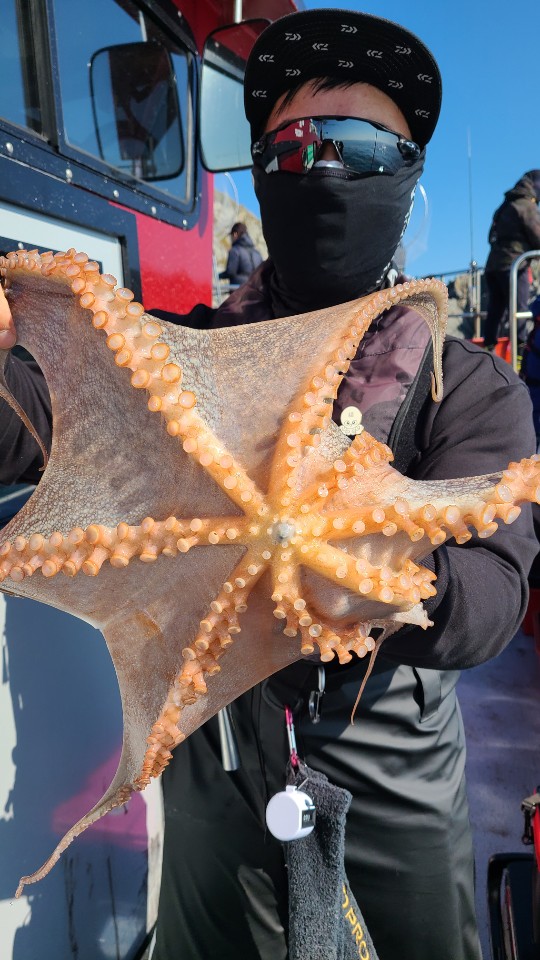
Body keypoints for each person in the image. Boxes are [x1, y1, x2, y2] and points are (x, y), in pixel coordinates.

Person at [0, 9, 537, 960]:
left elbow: (494, 588)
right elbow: (36, 425)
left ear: (408, 174)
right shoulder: (183, 358)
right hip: (216, 760)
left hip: (390, 767)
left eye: (361, 146)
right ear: (258, 171)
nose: (323, 167)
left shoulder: (468, 387)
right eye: (293, 147)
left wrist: (362, 562)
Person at [483, 170, 540, 349]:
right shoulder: (526, 205)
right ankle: (520, 355)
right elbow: (537, 235)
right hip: (514, 266)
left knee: (495, 311)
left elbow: (491, 236)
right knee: (519, 311)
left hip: (493, 266)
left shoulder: (506, 204)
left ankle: (488, 350)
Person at [219, 221, 263, 286]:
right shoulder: (257, 253)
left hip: (239, 290)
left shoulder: (235, 250)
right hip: (256, 290)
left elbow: (230, 272)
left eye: (231, 236)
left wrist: (219, 276)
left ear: (235, 234)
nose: (231, 239)